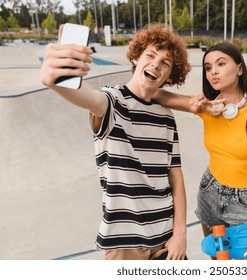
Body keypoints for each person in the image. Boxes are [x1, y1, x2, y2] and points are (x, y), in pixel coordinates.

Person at [39, 23, 191, 260]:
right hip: (125, 243)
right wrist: (56, 78)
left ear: (170, 75)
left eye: (165, 63)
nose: (156, 64)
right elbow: (89, 98)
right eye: (150, 56)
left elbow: (175, 176)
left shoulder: (166, 117)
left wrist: (180, 233)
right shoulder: (114, 101)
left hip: (166, 239)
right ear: (136, 58)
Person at [154, 42, 247, 260]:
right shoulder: (208, 108)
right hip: (209, 193)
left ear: (239, 69)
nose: (213, 71)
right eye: (208, 67)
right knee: (217, 262)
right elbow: (157, 95)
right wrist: (197, 105)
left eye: (221, 64)